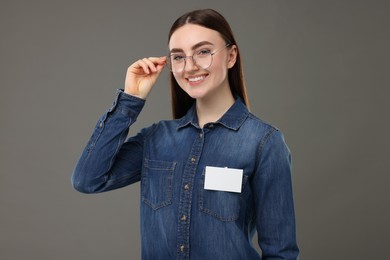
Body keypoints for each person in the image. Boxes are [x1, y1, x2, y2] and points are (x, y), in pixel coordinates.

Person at [72, 8, 299, 260]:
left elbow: (281, 253)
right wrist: (130, 99)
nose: (189, 67)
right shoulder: (156, 139)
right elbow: (88, 179)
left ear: (231, 56)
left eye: (203, 52)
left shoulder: (264, 143)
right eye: (178, 57)